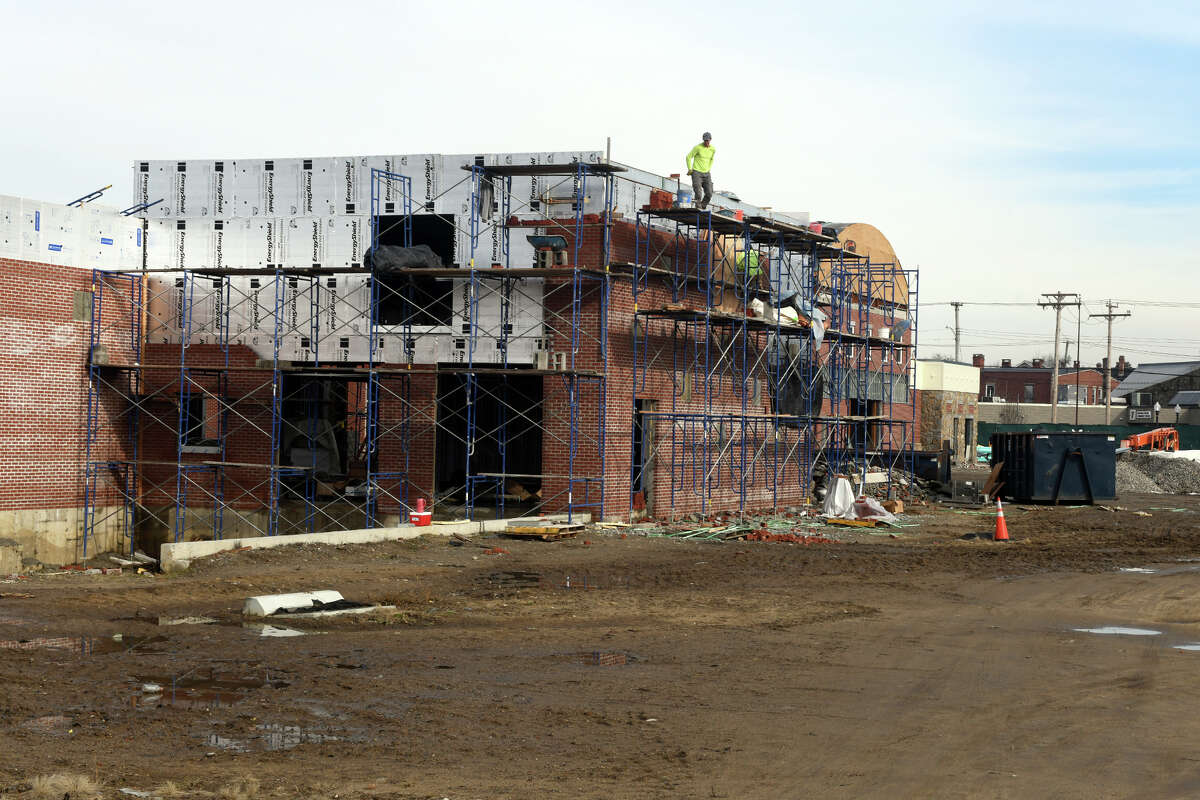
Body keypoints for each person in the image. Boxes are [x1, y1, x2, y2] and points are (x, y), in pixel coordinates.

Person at [685, 132, 715, 210]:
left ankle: (702, 206)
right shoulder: (697, 147)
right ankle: (698, 207)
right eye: (705, 141)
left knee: (709, 193)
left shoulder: (713, 149)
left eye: (707, 141)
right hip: (696, 172)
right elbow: (688, 157)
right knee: (698, 192)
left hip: (707, 173)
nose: (706, 142)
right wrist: (690, 169)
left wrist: (708, 168)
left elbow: (711, 159)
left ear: (710, 140)